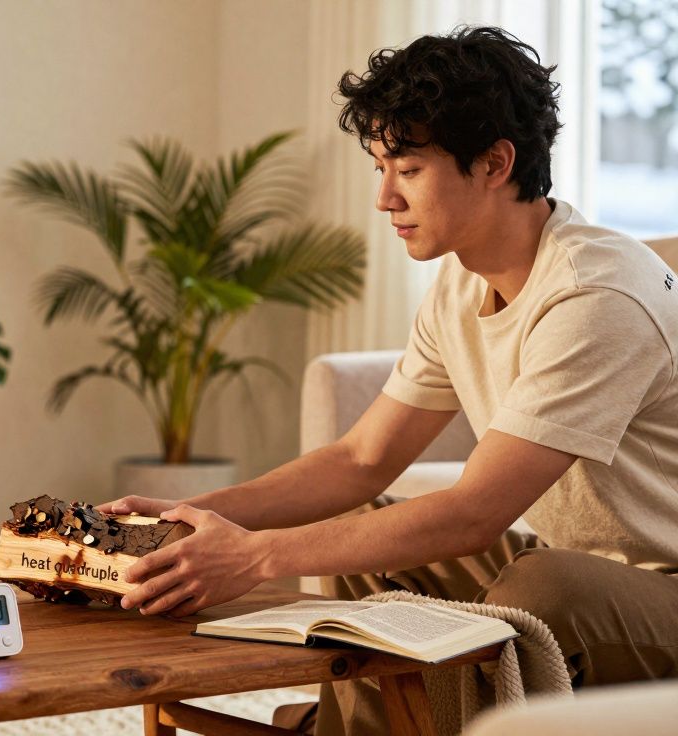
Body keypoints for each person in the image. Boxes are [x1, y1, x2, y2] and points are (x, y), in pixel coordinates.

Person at [98, 25, 678, 735]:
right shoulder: (461, 282)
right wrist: (193, 519)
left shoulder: (596, 295)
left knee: (541, 585)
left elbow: (475, 513)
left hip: (660, 594)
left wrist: (254, 558)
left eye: (407, 168)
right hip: (583, 568)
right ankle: (355, 728)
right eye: (380, 167)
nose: (384, 198)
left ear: (496, 163)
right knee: (361, 539)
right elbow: (361, 459)